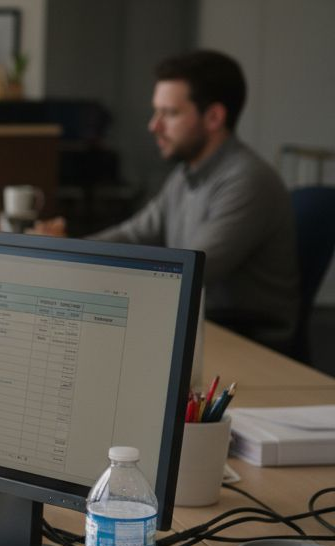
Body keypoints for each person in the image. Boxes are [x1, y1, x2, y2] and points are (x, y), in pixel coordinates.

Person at [35, 50, 298, 350]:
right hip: (199, 327)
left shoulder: (247, 181)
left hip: (246, 342)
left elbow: (192, 270)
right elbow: (135, 234)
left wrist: (82, 266)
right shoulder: (186, 174)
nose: (154, 126)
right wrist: (69, 251)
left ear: (213, 117)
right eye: (156, 111)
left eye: (169, 113)